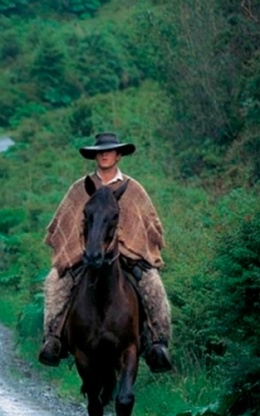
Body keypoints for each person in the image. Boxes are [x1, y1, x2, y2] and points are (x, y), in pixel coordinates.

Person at [39, 132, 173, 373]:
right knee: (54, 283)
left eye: (109, 151)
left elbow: (149, 224)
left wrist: (129, 245)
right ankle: (53, 338)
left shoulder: (133, 189)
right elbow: (66, 224)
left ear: (118, 155)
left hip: (128, 258)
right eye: (100, 152)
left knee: (153, 285)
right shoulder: (80, 189)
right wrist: (83, 250)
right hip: (86, 256)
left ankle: (158, 343)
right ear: (95, 156)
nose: (104, 155)